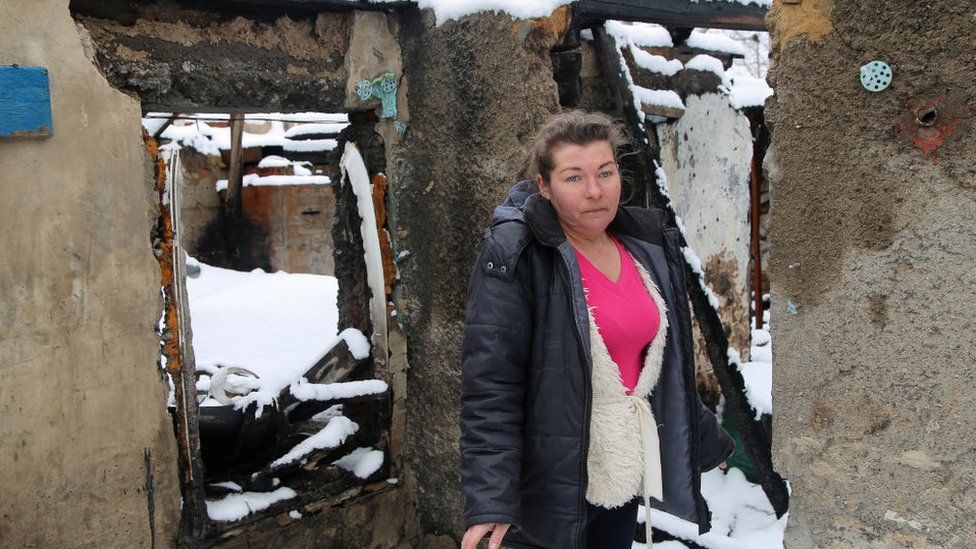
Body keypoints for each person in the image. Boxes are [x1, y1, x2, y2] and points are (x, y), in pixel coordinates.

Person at [458, 110, 734, 549]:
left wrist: (701, 436)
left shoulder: (643, 246)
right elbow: (492, 386)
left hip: (618, 469)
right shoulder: (517, 254)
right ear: (544, 187)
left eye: (605, 172)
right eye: (573, 177)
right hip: (548, 485)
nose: (594, 191)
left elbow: (654, 364)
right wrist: (491, 498)